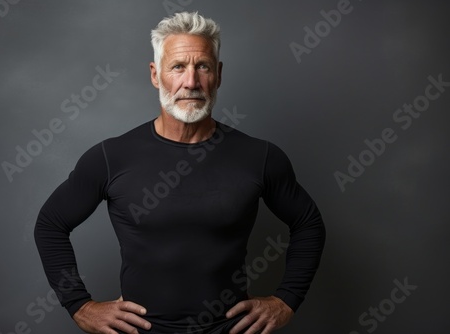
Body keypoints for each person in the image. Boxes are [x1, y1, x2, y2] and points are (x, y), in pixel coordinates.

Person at [34, 11, 326, 334]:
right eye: (178, 67)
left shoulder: (259, 157)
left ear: (218, 74)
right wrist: (79, 306)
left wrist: (286, 300)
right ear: (155, 75)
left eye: (202, 66)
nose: (191, 82)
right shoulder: (111, 157)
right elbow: (51, 224)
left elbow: (308, 223)